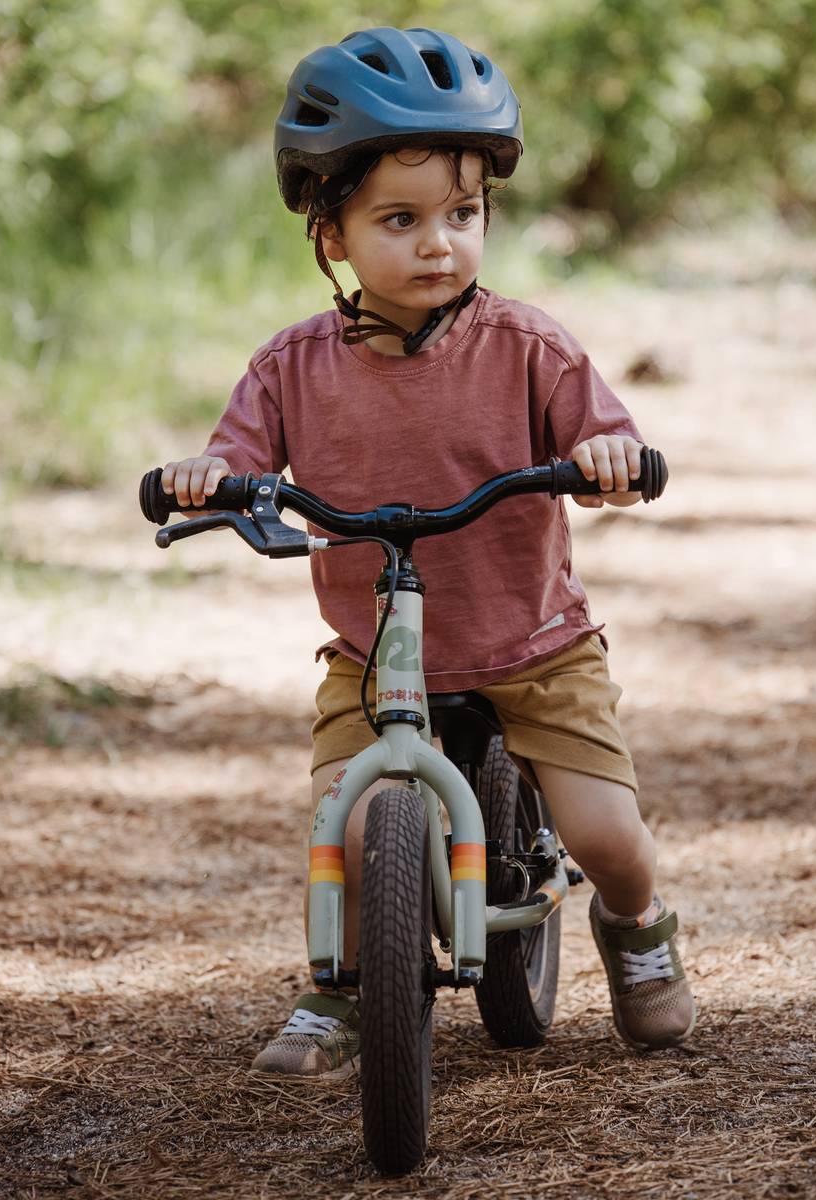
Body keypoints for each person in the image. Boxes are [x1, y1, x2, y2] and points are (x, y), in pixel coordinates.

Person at [160, 27, 695, 1078]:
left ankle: (639, 935)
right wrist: (206, 478)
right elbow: (236, 455)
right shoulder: (292, 368)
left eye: (462, 214)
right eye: (398, 221)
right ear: (332, 235)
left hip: (532, 648)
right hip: (376, 658)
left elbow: (604, 431)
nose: (438, 243)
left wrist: (609, 457)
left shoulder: (530, 349)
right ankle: (340, 993)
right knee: (354, 832)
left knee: (606, 834)